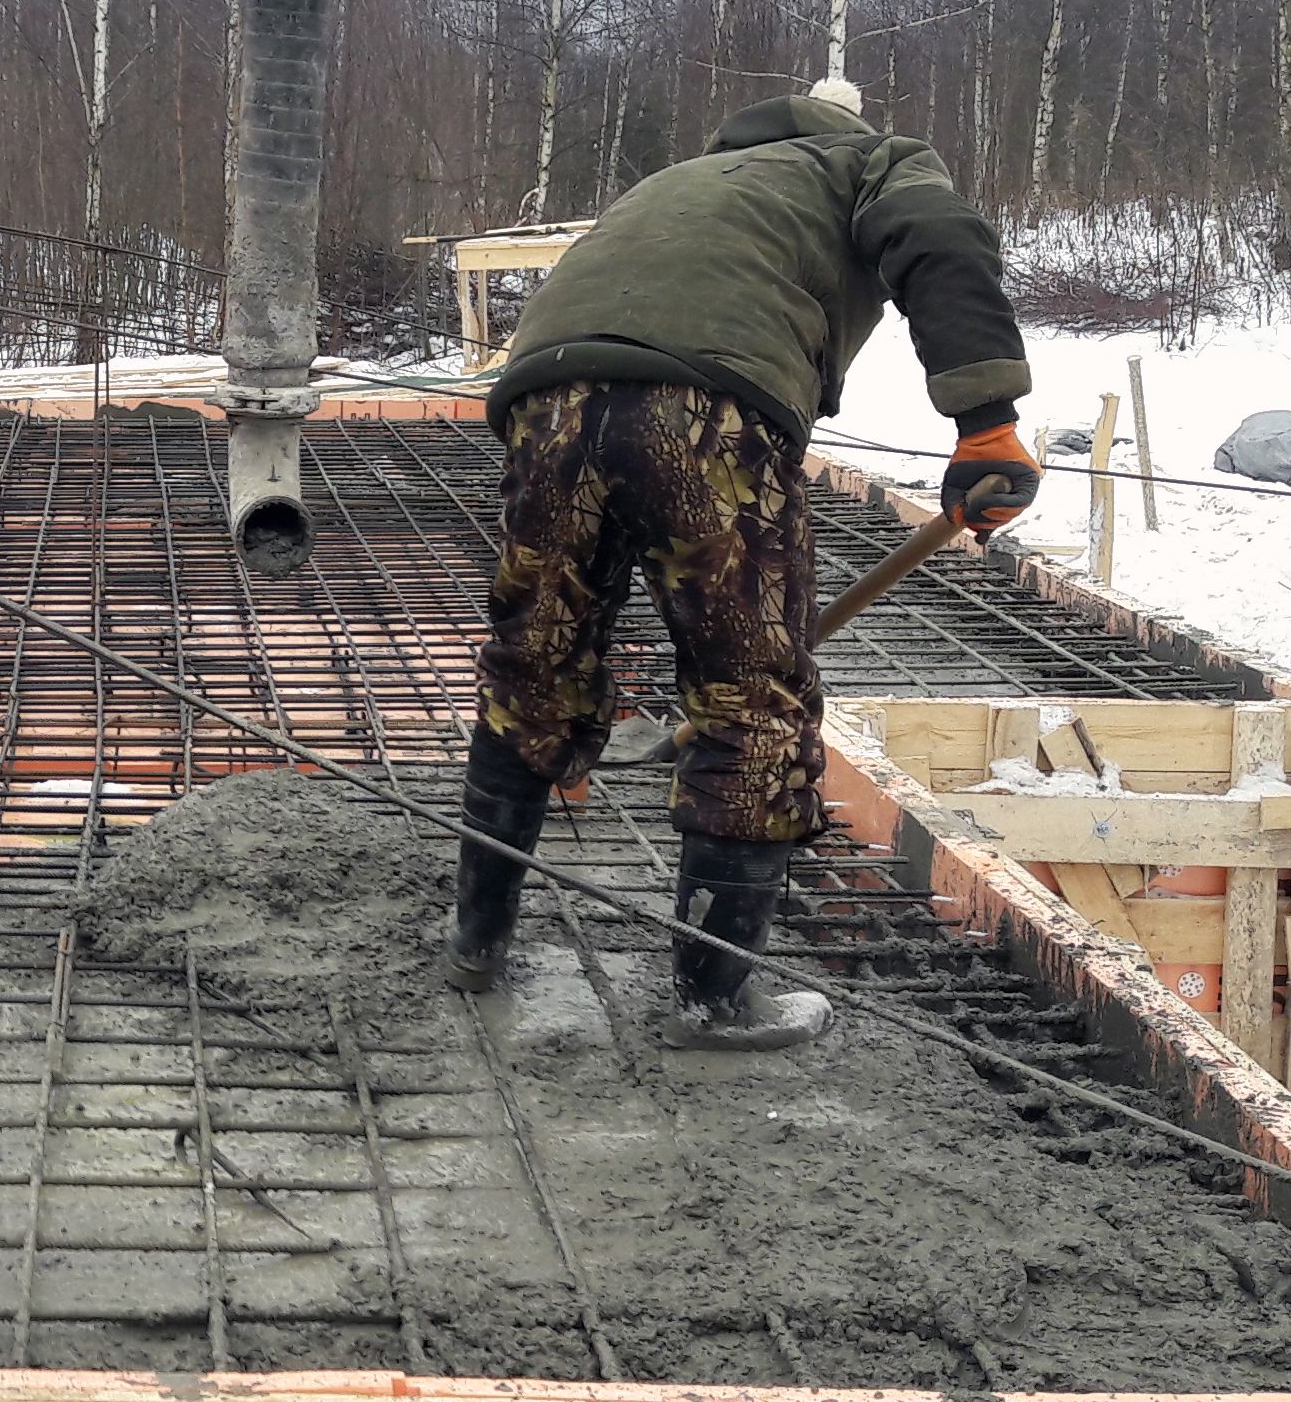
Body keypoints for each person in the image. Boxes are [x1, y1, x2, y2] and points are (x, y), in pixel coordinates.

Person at [445, 76, 1040, 1048]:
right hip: (708, 409)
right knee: (749, 698)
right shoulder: (867, 160)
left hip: (546, 403)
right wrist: (986, 422)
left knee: (531, 674)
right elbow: (940, 237)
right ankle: (712, 1002)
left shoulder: (689, 178)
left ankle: (474, 947)